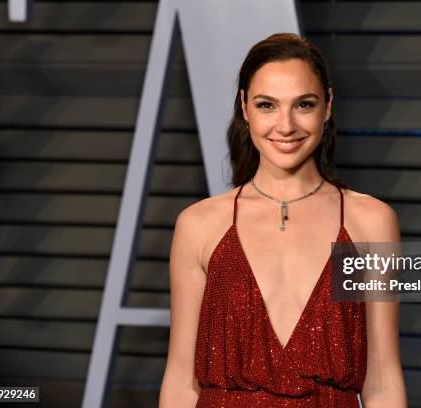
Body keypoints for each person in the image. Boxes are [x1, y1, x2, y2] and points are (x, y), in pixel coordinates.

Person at [159, 32, 406, 407]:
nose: (286, 125)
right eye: (267, 105)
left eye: (304, 104)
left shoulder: (371, 222)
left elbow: (383, 381)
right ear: (244, 107)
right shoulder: (199, 225)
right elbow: (180, 381)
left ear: (327, 106)